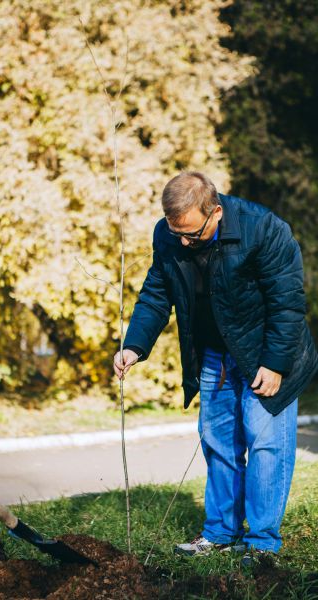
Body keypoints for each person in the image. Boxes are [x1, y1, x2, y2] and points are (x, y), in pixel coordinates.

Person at [113, 171, 318, 565]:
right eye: (177, 234)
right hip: (213, 355)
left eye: (192, 233)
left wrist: (274, 364)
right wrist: (134, 346)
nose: (184, 242)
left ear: (216, 212)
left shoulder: (264, 230)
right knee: (218, 442)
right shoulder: (169, 235)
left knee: (266, 445)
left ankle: (261, 543)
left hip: (266, 353)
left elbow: (287, 303)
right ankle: (221, 532)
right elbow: (158, 292)